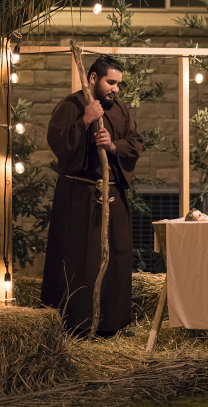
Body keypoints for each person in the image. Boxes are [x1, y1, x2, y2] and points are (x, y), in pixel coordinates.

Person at [42, 56, 143, 335]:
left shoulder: (121, 110)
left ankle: (112, 323)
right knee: (79, 258)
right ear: (93, 79)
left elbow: (135, 144)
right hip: (79, 198)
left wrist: (112, 145)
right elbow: (58, 141)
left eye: (119, 84)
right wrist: (85, 120)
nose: (116, 89)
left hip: (113, 195)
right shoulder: (72, 106)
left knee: (117, 257)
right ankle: (76, 323)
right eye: (111, 82)